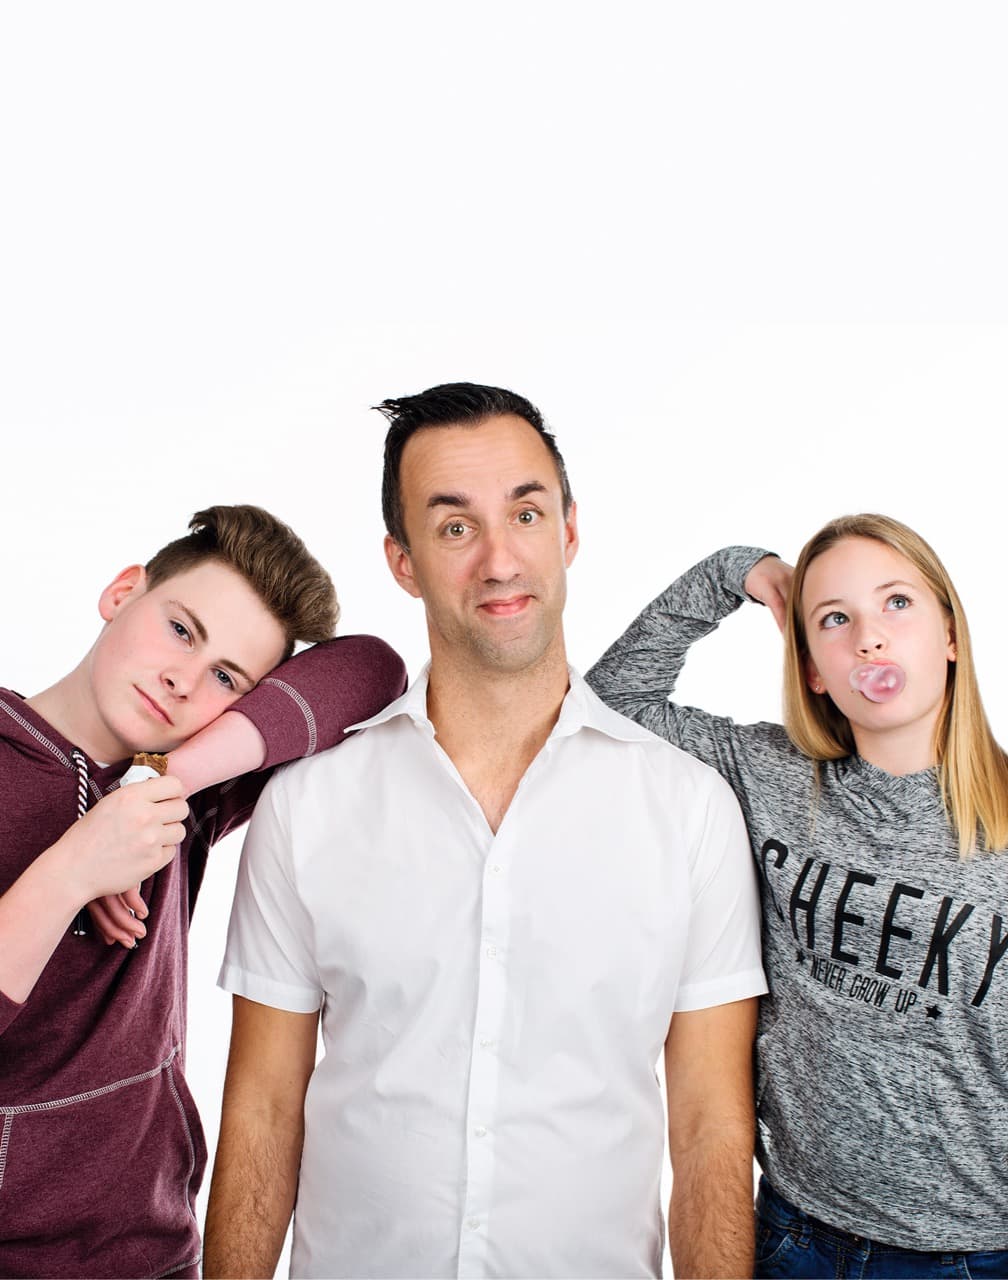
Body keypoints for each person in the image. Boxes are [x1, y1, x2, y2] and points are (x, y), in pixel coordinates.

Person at [203, 383, 766, 1280]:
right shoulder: (309, 806)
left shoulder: (690, 810)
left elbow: (709, 1133)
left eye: (526, 514)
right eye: (456, 526)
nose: (500, 560)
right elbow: (263, 1111)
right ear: (403, 561)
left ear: (569, 532)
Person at [587, 514, 1008, 1278]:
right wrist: (738, 570)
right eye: (835, 619)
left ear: (950, 634)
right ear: (812, 668)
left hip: (973, 1257)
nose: (869, 640)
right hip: (794, 1236)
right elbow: (613, 701)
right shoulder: (773, 777)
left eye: (897, 603)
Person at [0, 504, 406, 1280]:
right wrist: (75, 868)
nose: (183, 681)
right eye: (182, 630)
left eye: (226, 677)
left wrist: (158, 784)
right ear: (123, 592)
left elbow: (372, 670)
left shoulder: (186, 793)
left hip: (150, 1256)